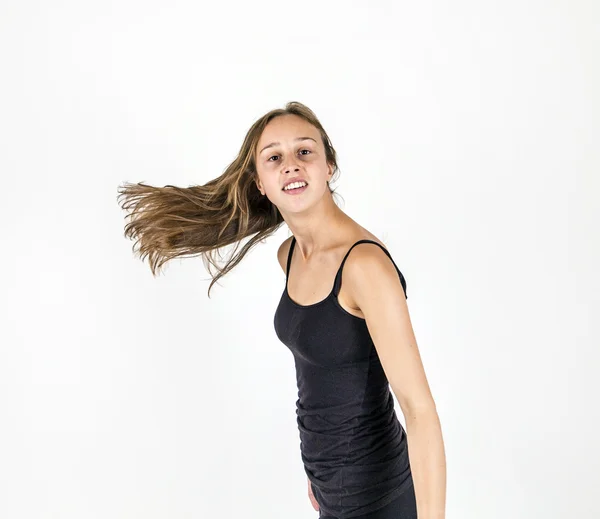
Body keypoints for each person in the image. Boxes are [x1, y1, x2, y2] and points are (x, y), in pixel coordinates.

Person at [117, 101, 446, 519]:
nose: (291, 165)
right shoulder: (289, 255)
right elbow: (324, 370)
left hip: (380, 497)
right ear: (260, 183)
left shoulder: (365, 267)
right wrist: (319, 469)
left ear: (329, 166)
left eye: (304, 151)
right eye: (275, 157)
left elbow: (420, 412)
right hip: (331, 491)